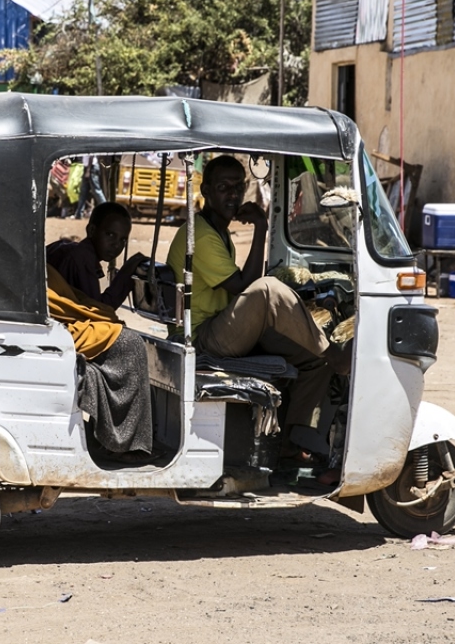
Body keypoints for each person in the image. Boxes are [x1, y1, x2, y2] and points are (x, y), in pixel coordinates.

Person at [165, 155, 350, 469]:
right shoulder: (201, 235)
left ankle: (289, 444)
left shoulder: (219, 232)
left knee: (314, 358)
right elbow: (245, 286)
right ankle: (335, 355)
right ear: (205, 190)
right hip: (202, 337)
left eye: (238, 187)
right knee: (267, 289)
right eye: (223, 187)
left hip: (220, 327)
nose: (233, 195)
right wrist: (262, 227)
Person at [47, 265, 152, 460]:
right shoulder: (80, 259)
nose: (115, 248)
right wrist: (124, 278)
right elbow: (76, 307)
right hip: (53, 333)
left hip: (59, 328)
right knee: (130, 344)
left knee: (125, 339)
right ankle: (123, 444)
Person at [46, 202, 147, 309]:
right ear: (91, 230)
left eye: (123, 240)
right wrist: (125, 274)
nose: (117, 244)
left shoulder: (67, 248)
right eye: (110, 235)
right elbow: (97, 311)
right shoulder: (83, 258)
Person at [73, 155, 108, 219]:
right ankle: (79, 214)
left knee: (97, 191)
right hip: (87, 167)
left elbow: (91, 156)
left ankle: (108, 210)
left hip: (92, 168)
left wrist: (88, 170)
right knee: (83, 192)